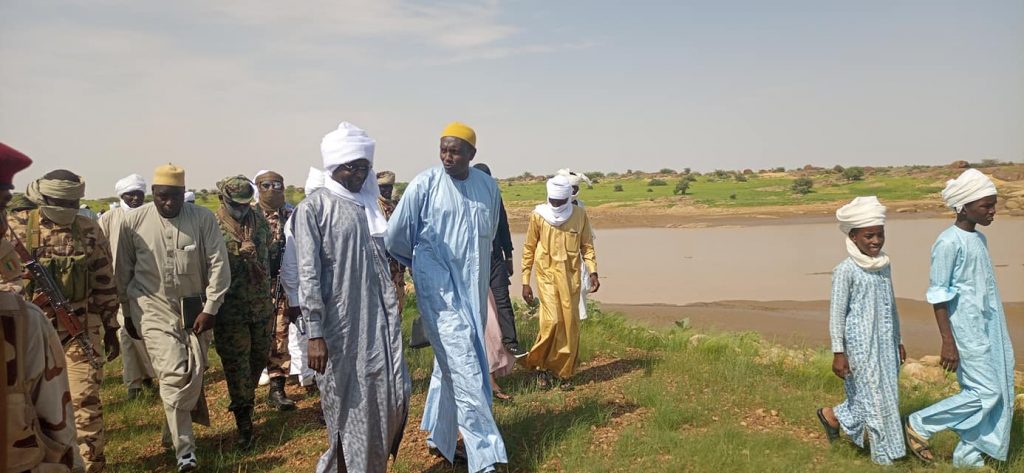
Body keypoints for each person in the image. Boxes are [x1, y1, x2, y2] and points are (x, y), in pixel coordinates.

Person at [386, 121, 508, 472]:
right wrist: (421, 266)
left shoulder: (488, 187)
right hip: (437, 287)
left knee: (452, 362)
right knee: (467, 364)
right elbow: (395, 237)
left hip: (473, 286)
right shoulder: (425, 184)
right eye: (443, 149)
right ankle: (486, 455)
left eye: (455, 150)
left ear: (472, 153)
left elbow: (488, 236)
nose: (447, 157)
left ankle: (439, 437)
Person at [295, 122, 409, 473]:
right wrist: (314, 333)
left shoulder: (371, 206)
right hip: (339, 330)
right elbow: (308, 274)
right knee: (348, 409)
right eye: (352, 168)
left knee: (391, 399)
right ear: (335, 167)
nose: (360, 174)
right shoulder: (314, 209)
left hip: (381, 327)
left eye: (365, 167)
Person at [116, 164, 231, 472]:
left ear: (183, 193)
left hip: (195, 311)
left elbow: (218, 264)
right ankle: (185, 452)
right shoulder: (133, 222)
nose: (168, 203)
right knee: (174, 373)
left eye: (175, 196)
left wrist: (211, 308)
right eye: (162, 196)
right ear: (153, 194)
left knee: (195, 368)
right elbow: (123, 271)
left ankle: (171, 429)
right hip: (151, 308)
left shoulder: (202, 219)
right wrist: (128, 313)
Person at [8, 169, 120, 473]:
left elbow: (104, 279)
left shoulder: (88, 228)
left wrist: (111, 326)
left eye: (72, 204)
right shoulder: (16, 228)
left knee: (85, 403)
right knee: (29, 408)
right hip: (30, 336)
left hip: (79, 328)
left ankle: (92, 466)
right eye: (60, 203)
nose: (67, 210)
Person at [905, 169, 1015, 468]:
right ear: (964, 206)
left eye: (994, 204)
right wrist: (947, 341)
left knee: (1001, 387)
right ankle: (920, 422)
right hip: (965, 329)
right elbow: (938, 294)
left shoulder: (978, 239)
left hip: (989, 325)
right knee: (986, 392)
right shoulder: (947, 242)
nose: (993, 211)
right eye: (986, 205)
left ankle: (967, 458)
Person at [1, 142, 78, 473]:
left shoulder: (20, 327)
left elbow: (57, 439)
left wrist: (112, 322)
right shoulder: (22, 229)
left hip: (73, 327)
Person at [815, 196, 905, 465]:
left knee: (888, 396)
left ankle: (832, 416)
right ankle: (883, 459)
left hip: (886, 343)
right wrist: (838, 352)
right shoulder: (845, 270)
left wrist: (898, 340)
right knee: (873, 399)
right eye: (869, 236)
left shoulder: (885, 265)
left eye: (880, 235)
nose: (876, 241)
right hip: (859, 347)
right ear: (853, 236)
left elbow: (892, 306)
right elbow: (837, 314)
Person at [212, 175, 275, 448]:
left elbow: (270, 249)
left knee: (258, 359)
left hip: (261, 305)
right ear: (223, 200)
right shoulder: (212, 225)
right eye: (235, 204)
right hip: (230, 309)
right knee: (237, 366)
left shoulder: (258, 220)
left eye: (244, 204)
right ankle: (244, 421)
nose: (241, 209)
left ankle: (245, 400)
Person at [521, 175, 599, 391]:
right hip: (546, 276)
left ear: (568, 198)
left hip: (570, 277)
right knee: (552, 321)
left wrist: (593, 271)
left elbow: (587, 246)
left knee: (569, 324)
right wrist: (525, 280)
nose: (555, 205)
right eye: (552, 201)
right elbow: (529, 248)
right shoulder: (539, 216)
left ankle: (563, 372)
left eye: (559, 202)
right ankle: (540, 366)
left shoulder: (579, 215)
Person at [98, 174, 157, 400]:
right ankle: (134, 384)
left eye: (138, 194)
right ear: (121, 195)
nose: (134, 198)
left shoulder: (151, 215)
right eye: (130, 194)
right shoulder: (109, 218)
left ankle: (147, 376)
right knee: (126, 333)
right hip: (118, 284)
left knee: (144, 332)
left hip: (148, 285)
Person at [252, 170, 298, 411]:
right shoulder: (250, 215)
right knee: (256, 338)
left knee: (280, 336)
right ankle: (245, 393)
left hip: (282, 284)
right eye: (266, 185)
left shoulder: (291, 214)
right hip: (255, 288)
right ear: (258, 187)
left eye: (277, 184)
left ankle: (277, 389)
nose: (272, 189)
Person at [473, 163, 526, 358]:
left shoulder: (494, 198)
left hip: (495, 258)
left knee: (503, 300)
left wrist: (509, 257)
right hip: (473, 261)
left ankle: (511, 342)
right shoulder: (465, 199)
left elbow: (504, 227)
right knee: (475, 304)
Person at [280, 168, 324, 393]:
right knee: (303, 335)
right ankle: (308, 379)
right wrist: (295, 299)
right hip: (304, 290)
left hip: (326, 293)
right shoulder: (299, 217)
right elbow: (291, 266)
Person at [557, 168, 594, 320]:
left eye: (575, 189)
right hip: (561, 252)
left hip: (578, 250)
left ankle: (580, 318)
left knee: (582, 286)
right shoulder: (555, 205)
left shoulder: (580, 206)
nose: (573, 192)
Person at [375, 170, 407, 313]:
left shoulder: (395, 207)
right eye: (383, 187)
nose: (387, 190)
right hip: (382, 265)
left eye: (389, 187)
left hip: (397, 265)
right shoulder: (374, 208)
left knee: (398, 305)